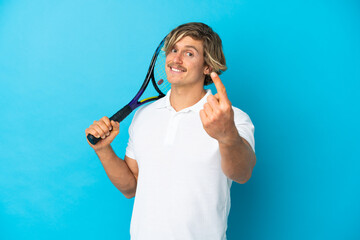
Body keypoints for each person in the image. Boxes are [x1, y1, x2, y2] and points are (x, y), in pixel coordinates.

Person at [85, 22, 256, 240]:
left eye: (189, 53)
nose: (176, 59)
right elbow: (131, 187)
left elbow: (242, 174)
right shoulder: (143, 116)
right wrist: (103, 150)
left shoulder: (231, 118)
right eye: (174, 50)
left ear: (207, 67)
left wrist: (227, 135)